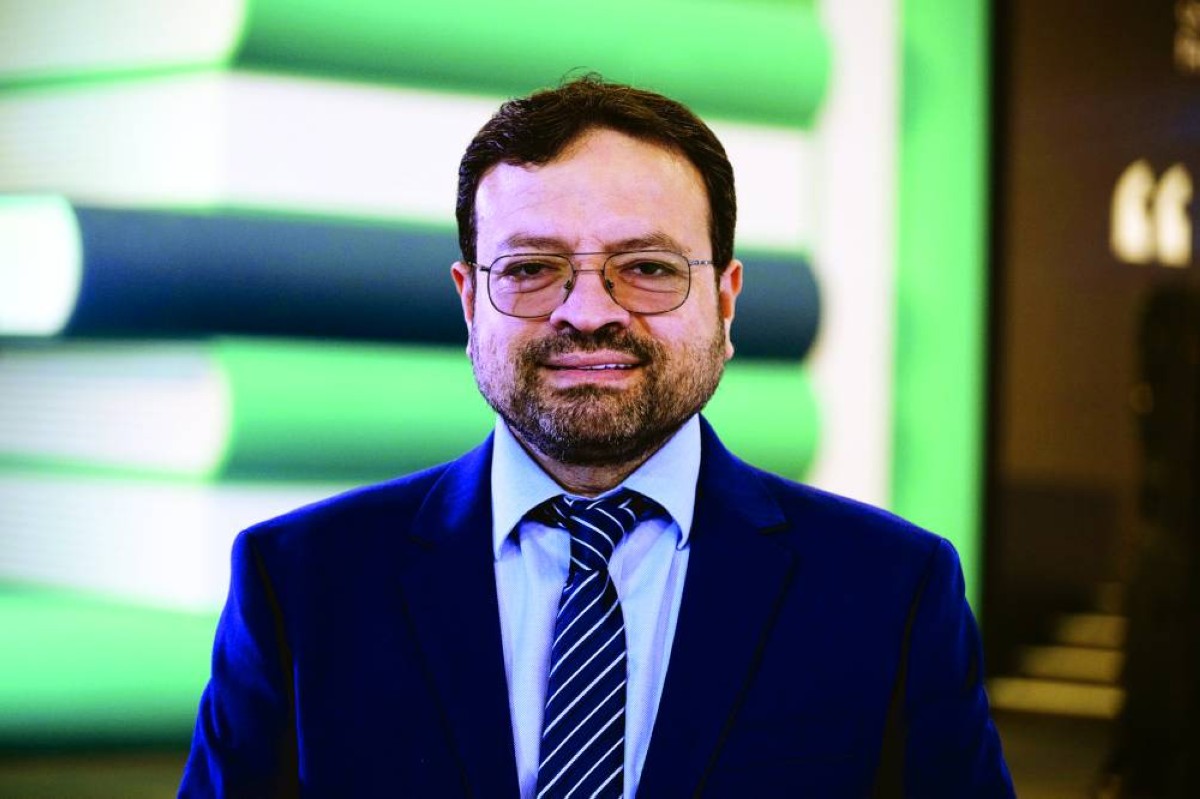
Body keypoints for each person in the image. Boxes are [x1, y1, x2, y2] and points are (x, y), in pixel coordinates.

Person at [180, 76, 1014, 798]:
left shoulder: (890, 593)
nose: (587, 312)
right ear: (469, 302)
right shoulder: (301, 585)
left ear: (726, 303)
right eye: (531, 269)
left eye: (647, 267)